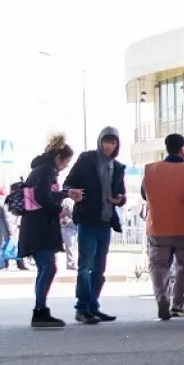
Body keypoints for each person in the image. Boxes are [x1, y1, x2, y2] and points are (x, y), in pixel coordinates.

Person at [63, 126, 127, 324]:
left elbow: (122, 193)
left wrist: (120, 199)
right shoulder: (87, 159)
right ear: (100, 141)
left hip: (106, 222)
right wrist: (73, 192)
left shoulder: (117, 167)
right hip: (88, 220)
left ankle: (93, 306)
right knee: (85, 267)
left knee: (99, 268)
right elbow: (68, 183)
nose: (109, 146)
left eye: (113, 142)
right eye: (106, 141)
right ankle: (82, 308)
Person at [18, 135, 83, 328]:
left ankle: (41, 309)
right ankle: (39, 311)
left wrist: (64, 194)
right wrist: (59, 207)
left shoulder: (39, 169)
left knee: (46, 268)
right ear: (59, 158)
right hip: (40, 228)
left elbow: (43, 194)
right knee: (48, 267)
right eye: (66, 162)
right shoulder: (47, 171)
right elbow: (42, 196)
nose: (66, 167)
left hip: (36, 227)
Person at [142, 133, 184, 320]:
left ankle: (162, 298)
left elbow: (145, 195)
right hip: (183, 228)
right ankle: (179, 305)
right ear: (182, 150)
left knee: (159, 265)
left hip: (157, 227)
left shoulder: (150, 171)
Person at [59, 199, 78, 269]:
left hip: (73, 226)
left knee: (73, 246)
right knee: (70, 246)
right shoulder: (68, 200)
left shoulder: (77, 200)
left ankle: (71, 263)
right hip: (67, 226)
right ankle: (71, 263)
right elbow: (65, 211)